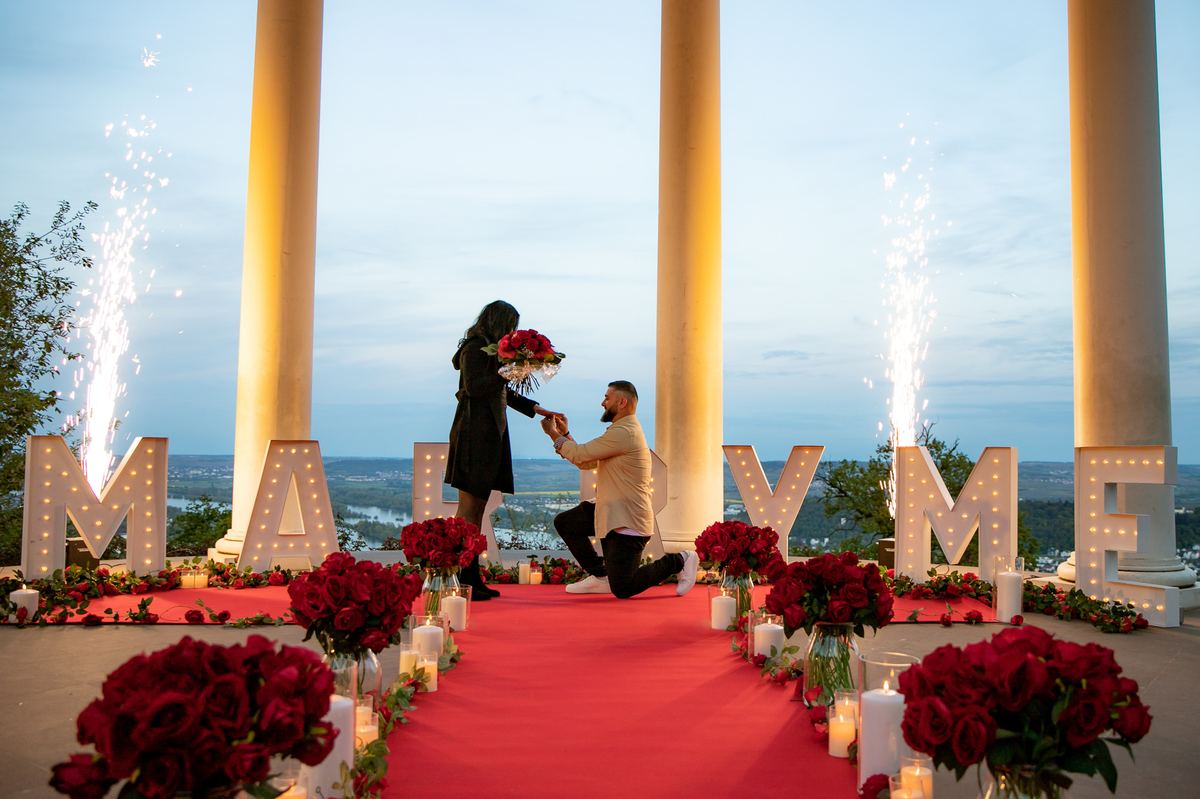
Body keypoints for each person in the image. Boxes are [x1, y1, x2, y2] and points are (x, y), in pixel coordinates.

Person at [541, 380, 699, 599]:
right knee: (566, 522)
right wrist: (565, 435)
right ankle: (600, 576)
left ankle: (681, 559)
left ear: (622, 402)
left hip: (627, 520)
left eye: (607, 397)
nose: (602, 403)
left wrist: (554, 435)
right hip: (609, 513)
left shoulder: (625, 432)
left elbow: (580, 455)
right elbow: (585, 461)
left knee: (623, 588)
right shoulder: (620, 431)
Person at [447, 300, 559, 600]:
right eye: (509, 326)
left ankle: (469, 578)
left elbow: (503, 393)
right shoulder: (473, 349)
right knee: (469, 512)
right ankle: (461, 578)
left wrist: (535, 408)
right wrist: (509, 368)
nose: (510, 333)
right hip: (473, 436)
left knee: (477, 510)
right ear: (497, 323)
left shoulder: (491, 353)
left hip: (488, 436)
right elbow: (475, 387)